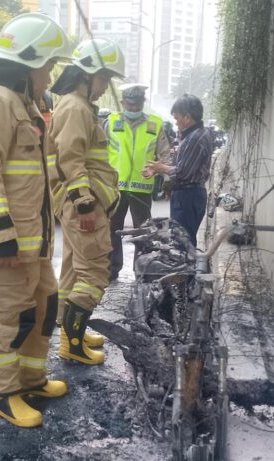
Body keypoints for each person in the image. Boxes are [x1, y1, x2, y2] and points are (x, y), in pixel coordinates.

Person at [0, 12, 73, 428]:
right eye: (48, 66)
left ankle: (30, 378)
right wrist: (2, 235)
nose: (49, 75)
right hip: (6, 243)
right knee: (7, 321)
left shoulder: (22, 105)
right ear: (29, 63)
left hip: (33, 243)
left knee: (43, 309)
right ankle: (6, 395)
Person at [48, 39, 124, 365]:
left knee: (72, 271)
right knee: (94, 274)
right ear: (87, 74)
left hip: (79, 201)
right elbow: (70, 158)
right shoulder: (76, 107)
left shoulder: (77, 105)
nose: (105, 86)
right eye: (104, 78)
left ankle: (69, 331)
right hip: (83, 203)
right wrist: (85, 205)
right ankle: (74, 344)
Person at [106, 83, 171, 280]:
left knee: (143, 232)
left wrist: (167, 178)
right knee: (112, 230)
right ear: (123, 102)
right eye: (129, 104)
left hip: (142, 187)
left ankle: (141, 270)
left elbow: (165, 154)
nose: (133, 108)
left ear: (143, 102)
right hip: (115, 187)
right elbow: (100, 152)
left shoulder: (155, 125)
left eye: (137, 104)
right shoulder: (111, 122)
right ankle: (112, 269)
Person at [145, 94, 213, 247]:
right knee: (182, 239)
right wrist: (159, 169)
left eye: (177, 118)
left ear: (187, 117)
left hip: (188, 196)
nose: (176, 123)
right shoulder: (195, 135)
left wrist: (161, 167)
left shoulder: (195, 138)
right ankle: (186, 269)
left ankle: (187, 271)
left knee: (183, 242)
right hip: (188, 194)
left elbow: (182, 172)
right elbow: (181, 165)